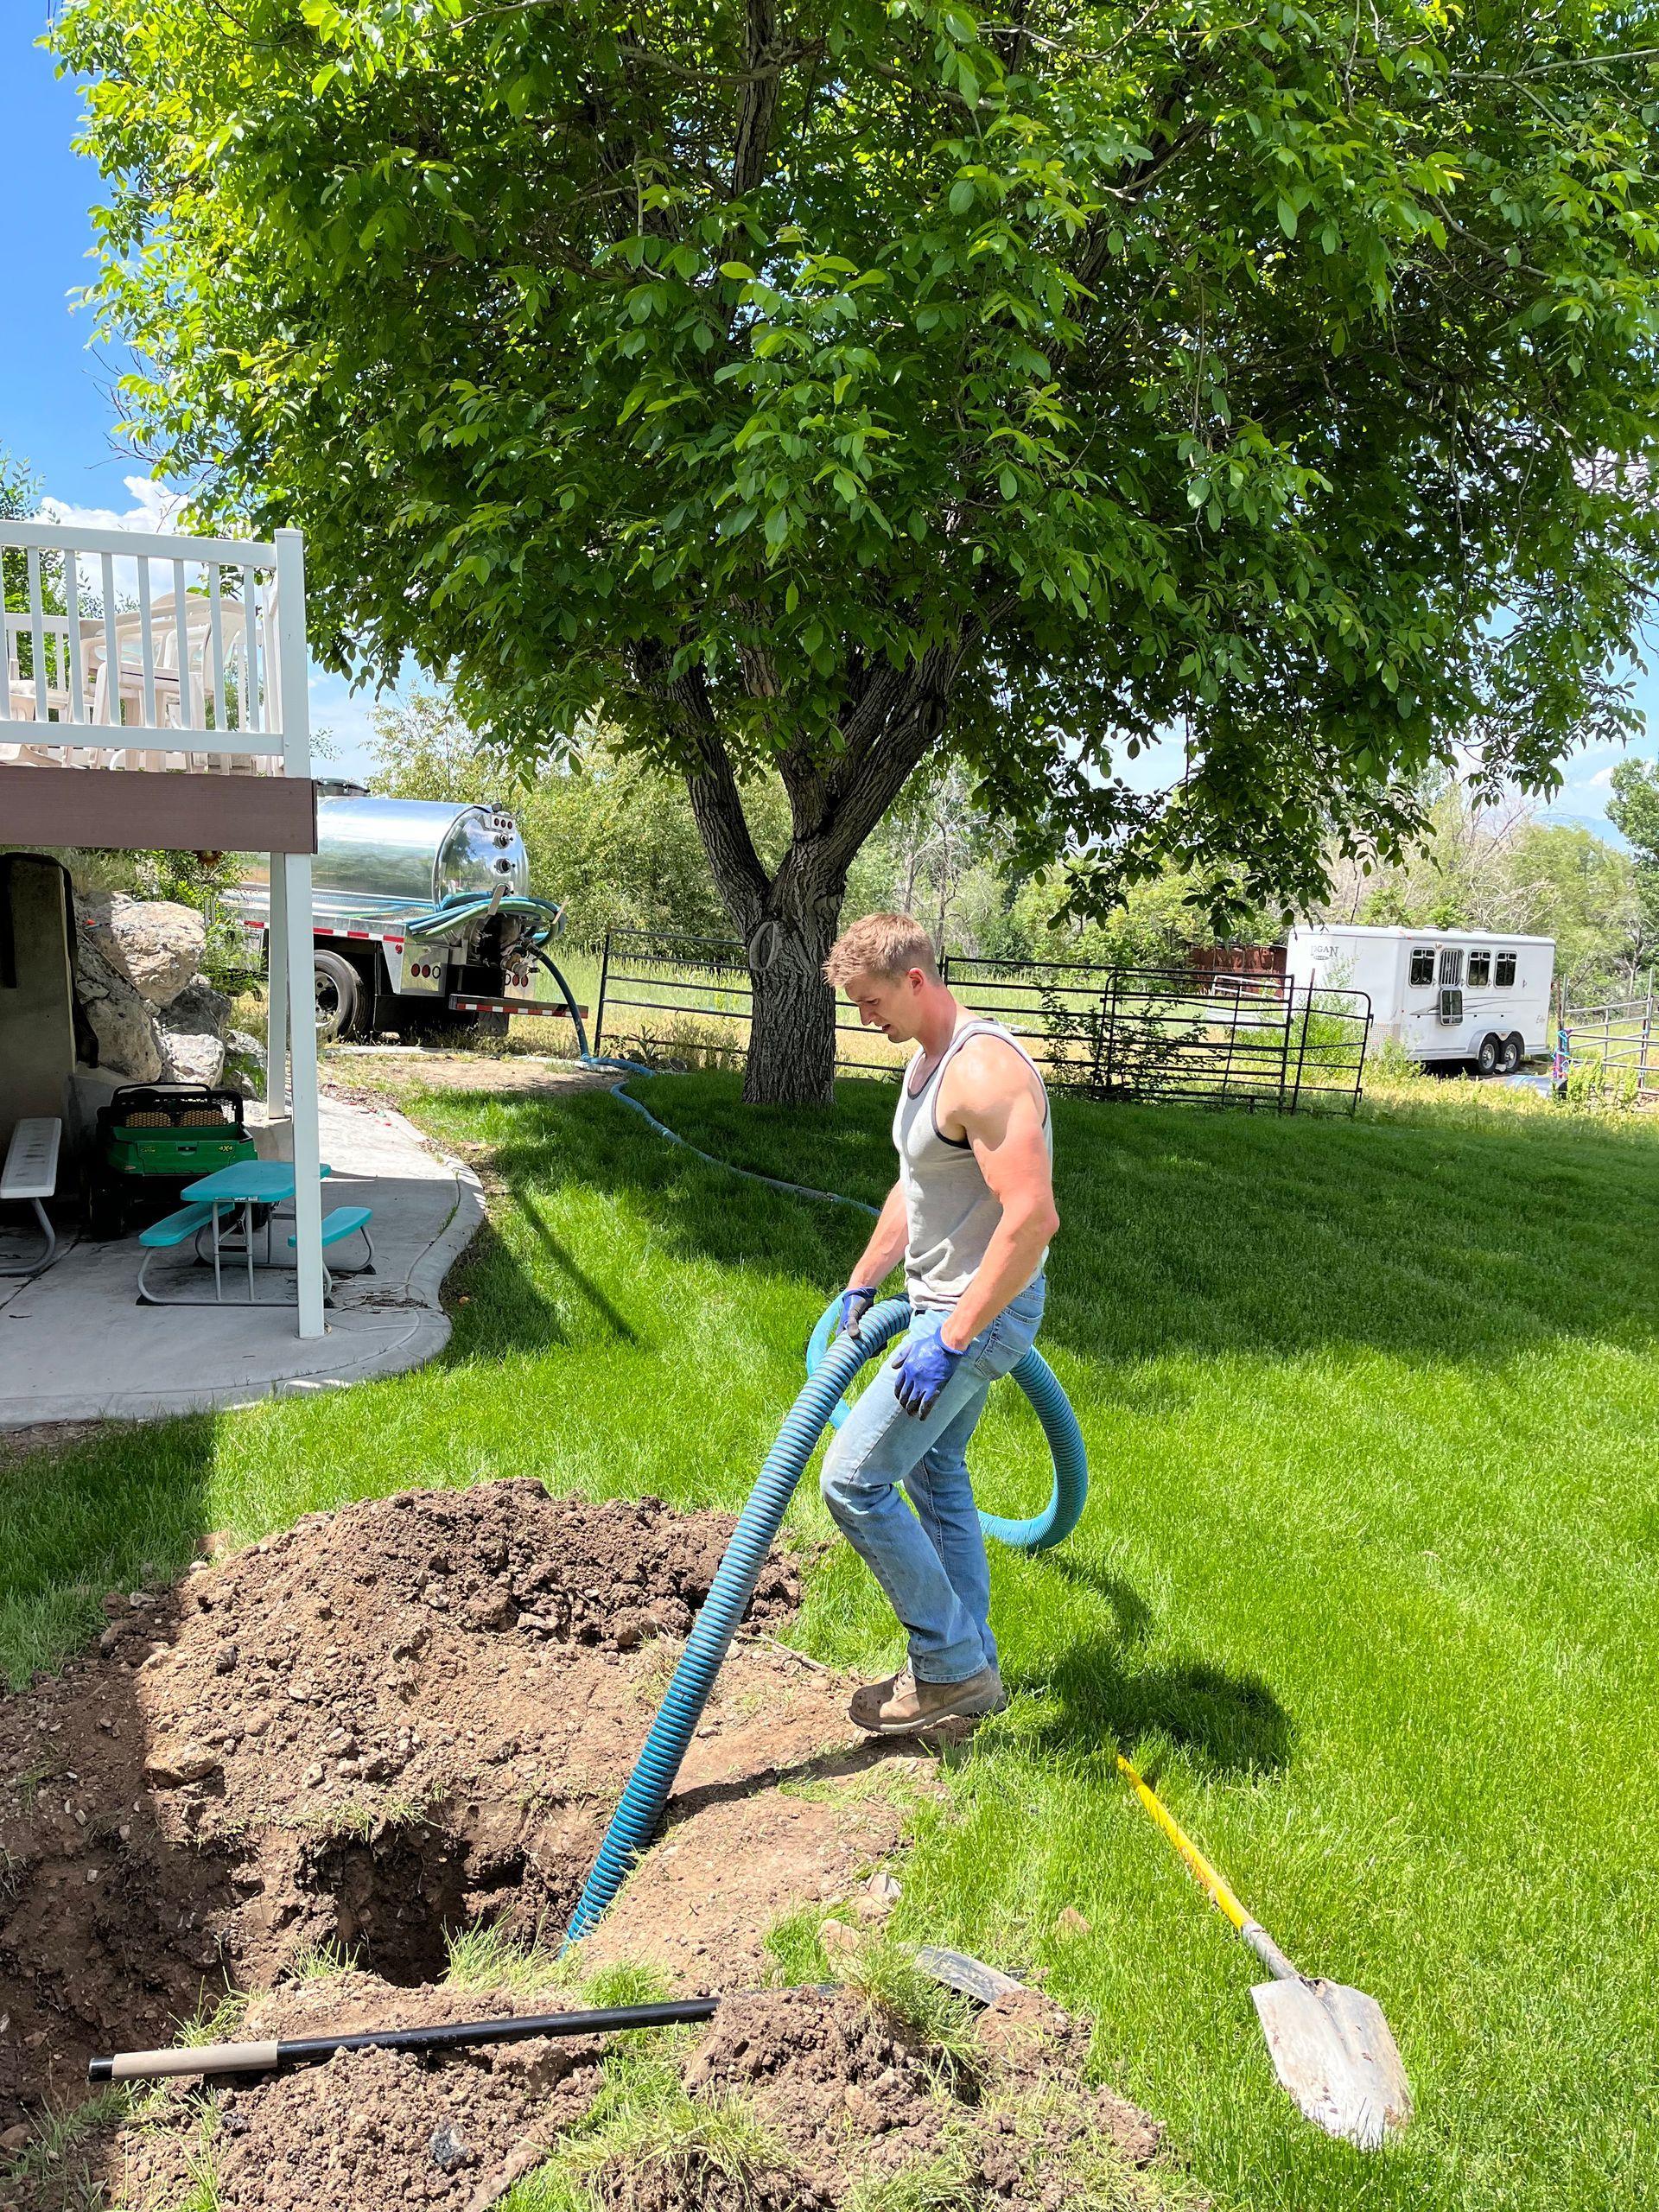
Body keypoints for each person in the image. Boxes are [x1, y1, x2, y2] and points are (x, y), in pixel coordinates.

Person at [819, 912, 1058, 1735]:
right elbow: (916, 1189)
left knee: (851, 1480)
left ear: (915, 981)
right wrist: (863, 1281)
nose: (865, 1017)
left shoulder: (982, 1073)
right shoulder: (926, 1063)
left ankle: (949, 1669)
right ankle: (972, 1662)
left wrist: (951, 1338)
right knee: (937, 1480)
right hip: (936, 1309)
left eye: (872, 1000)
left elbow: (1031, 1220)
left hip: (975, 1316)